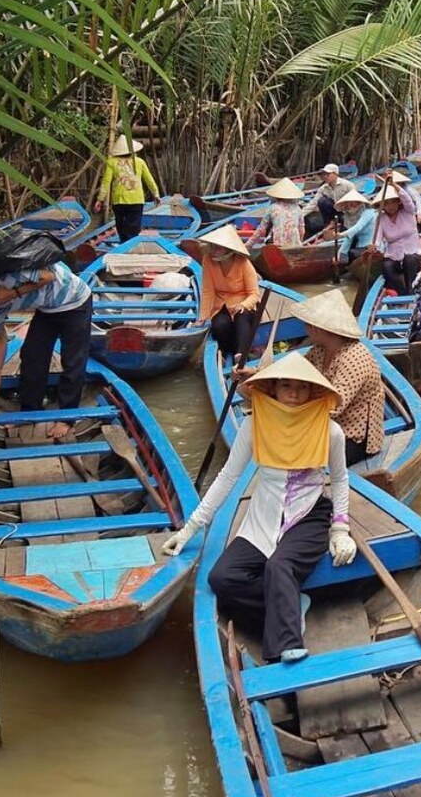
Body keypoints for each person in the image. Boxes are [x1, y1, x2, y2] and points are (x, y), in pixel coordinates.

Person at [161, 353, 356, 663]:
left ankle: (284, 648)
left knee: (279, 566)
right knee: (222, 578)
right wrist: (190, 529)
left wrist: (341, 529)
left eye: (302, 387)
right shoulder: (254, 425)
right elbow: (228, 477)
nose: (293, 394)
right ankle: (292, 602)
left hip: (308, 515)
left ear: (313, 392)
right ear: (273, 389)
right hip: (263, 515)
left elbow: (341, 479)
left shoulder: (330, 431)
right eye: (285, 385)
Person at [0, 257, 93, 439]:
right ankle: (30, 411)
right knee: (31, 355)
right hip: (48, 308)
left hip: (74, 300)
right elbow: (0, 336)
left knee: (73, 360)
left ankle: (66, 418)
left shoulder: (8, 272)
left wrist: (11, 294)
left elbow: (48, 276)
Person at [292, 291, 386, 466]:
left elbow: (334, 406)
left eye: (308, 324)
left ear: (317, 328)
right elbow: (297, 371)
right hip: (328, 426)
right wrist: (258, 373)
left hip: (356, 438)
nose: (306, 329)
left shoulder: (354, 358)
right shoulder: (320, 350)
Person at [198, 224, 262, 365]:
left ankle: (240, 353)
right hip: (221, 302)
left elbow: (254, 294)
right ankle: (228, 350)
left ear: (229, 250)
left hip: (245, 301)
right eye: (213, 247)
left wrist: (243, 305)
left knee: (241, 318)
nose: (213, 251)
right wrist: (202, 317)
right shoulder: (208, 260)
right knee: (219, 326)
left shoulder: (243, 263)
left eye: (218, 248)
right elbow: (208, 291)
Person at [97, 134, 160, 242]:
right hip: (136, 200)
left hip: (119, 200)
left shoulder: (112, 162)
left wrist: (100, 199)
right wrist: (156, 194)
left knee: (121, 227)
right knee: (134, 229)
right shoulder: (140, 162)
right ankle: (130, 248)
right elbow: (149, 180)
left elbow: (106, 182)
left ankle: (123, 245)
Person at [373, 172, 421, 294]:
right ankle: (401, 292)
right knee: (386, 267)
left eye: (393, 202)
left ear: (398, 202)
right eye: (386, 203)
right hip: (393, 254)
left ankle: (412, 290)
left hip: (412, 251)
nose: (390, 206)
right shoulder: (381, 219)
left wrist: (394, 185)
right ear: (382, 205)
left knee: (409, 261)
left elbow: (408, 200)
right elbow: (377, 239)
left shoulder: (408, 212)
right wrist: (374, 246)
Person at [247, 177, 307, 250]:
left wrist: (249, 244)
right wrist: (299, 244)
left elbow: (261, 229)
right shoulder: (297, 208)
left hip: (278, 246)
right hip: (295, 246)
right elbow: (302, 231)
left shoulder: (272, 207)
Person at [307, 164, 354, 235]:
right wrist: (300, 214)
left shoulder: (347, 185)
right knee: (322, 201)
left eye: (328, 174)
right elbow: (313, 203)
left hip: (347, 212)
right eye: (324, 174)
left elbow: (356, 200)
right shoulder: (323, 188)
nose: (325, 176)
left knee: (345, 229)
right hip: (335, 210)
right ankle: (330, 223)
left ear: (335, 174)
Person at [332, 189, 375, 264]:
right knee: (346, 255)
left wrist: (341, 234)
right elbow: (349, 238)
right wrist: (339, 254)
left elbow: (358, 227)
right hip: (360, 245)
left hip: (372, 245)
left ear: (360, 203)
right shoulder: (350, 217)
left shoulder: (368, 212)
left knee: (352, 254)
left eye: (352, 204)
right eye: (347, 205)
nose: (349, 207)